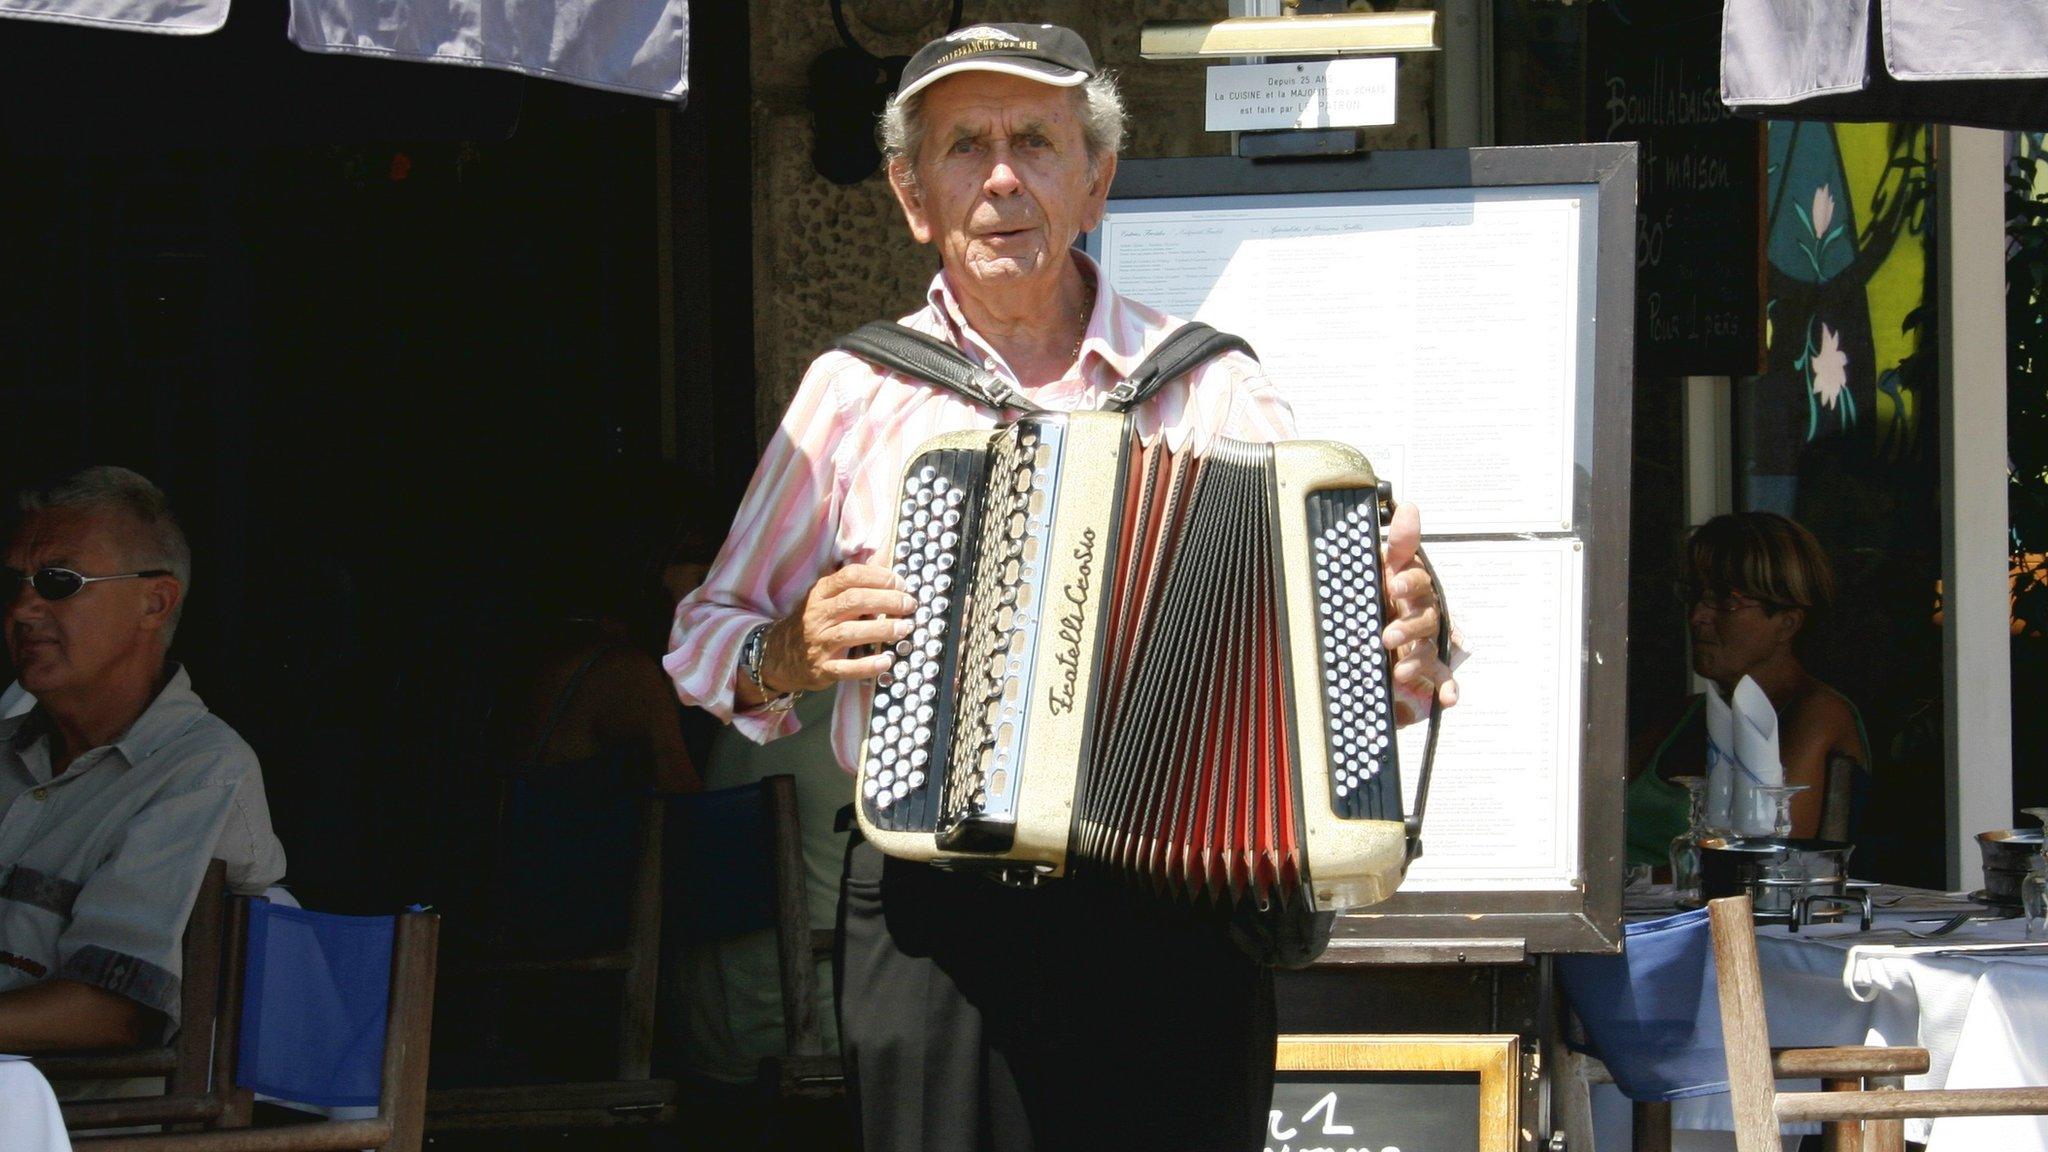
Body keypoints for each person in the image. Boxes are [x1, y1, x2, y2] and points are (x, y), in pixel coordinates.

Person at [666, 23, 1457, 1151]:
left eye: (1035, 142)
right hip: (939, 921)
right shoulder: (854, 391)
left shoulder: (1208, 379)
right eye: (962, 147)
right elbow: (706, 639)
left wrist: (1406, 639)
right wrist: (786, 650)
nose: (999, 177)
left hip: (1178, 914)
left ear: (1095, 182)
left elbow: (1344, 648)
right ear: (911, 196)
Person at [0, 465, 286, 1052]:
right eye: (18, 583)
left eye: (57, 581)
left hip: (80, 1129)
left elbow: (113, 1011)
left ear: (154, 603)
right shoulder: (11, 742)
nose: (23, 609)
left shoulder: (202, 772)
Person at [1626, 511, 1869, 867]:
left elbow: (1767, 863)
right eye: (1694, 595)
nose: (1697, 616)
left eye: (1727, 600)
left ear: (1787, 623)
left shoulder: (1817, 714)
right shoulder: (1685, 715)